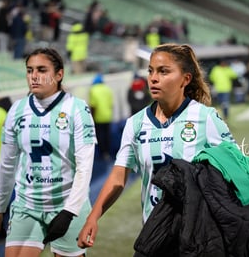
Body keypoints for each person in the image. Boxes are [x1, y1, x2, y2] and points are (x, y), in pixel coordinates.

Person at [77, 43, 238, 249]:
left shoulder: (205, 118)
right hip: (154, 234)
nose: (153, 78)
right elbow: (118, 177)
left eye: (163, 71)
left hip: (197, 236)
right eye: (151, 71)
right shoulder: (135, 124)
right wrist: (93, 216)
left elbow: (236, 171)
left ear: (185, 79)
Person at [0, 48, 96, 257]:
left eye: (42, 70)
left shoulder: (77, 109)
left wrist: (69, 211)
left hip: (67, 204)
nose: (34, 76)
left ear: (59, 74)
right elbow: (7, 165)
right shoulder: (17, 110)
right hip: (27, 206)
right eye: (29, 70)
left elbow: (84, 167)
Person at [89, 73, 113, 160]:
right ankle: (107, 153)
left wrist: (92, 117)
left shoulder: (93, 89)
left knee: (99, 136)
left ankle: (101, 153)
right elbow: (111, 104)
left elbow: (93, 105)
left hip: (98, 117)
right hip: (108, 116)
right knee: (107, 135)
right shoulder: (107, 89)